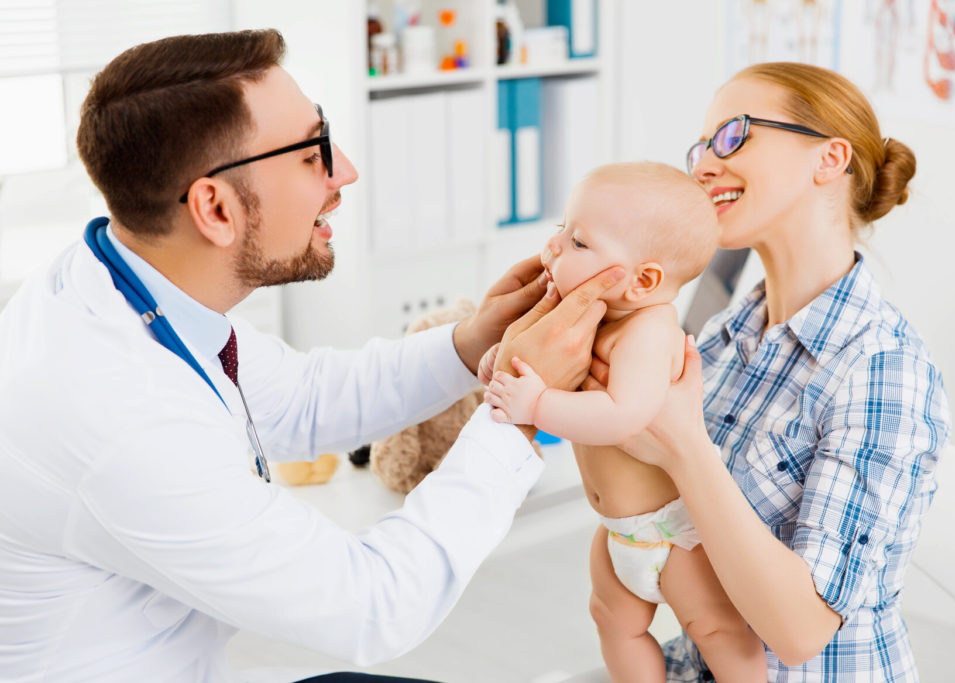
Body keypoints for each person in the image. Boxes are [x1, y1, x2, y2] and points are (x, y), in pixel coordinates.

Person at [0, 30, 626, 682]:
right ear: (214, 208)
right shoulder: (117, 412)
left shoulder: (119, 279)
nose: (345, 170)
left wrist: (471, 344)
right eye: (312, 153)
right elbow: (374, 605)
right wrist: (518, 407)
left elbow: (303, 395)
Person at [582, 62, 952, 680]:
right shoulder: (728, 336)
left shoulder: (883, 370)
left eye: (734, 135)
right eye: (701, 146)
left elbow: (800, 631)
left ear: (829, 159)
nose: (701, 165)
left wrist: (685, 448)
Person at [483, 162, 765, 682]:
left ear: (644, 281)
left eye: (579, 243)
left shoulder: (649, 331)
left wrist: (536, 404)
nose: (554, 249)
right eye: (560, 232)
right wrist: (505, 364)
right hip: (618, 531)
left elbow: (622, 417)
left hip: (676, 535)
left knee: (718, 631)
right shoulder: (587, 316)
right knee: (613, 621)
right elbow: (539, 365)